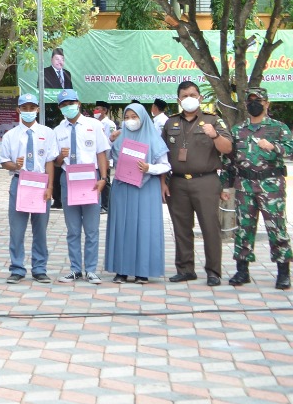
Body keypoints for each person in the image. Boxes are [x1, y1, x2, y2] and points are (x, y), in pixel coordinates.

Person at [162, 80, 233, 286]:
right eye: (184, 96)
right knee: (181, 228)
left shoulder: (213, 120)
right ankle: (185, 269)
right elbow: (161, 155)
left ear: (200, 97)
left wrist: (215, 135)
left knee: (210, 227)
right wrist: (163, 182)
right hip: (177, 182)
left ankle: (213, 272)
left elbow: (227, 148)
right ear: (178, 100)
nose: (189, 99)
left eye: (193, 95)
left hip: (206, 181)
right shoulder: (170, 123)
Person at [224, 88, 293, 289]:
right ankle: (242, 271)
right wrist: (225, 186)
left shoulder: (278, 128)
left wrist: (274, 147)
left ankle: (283, 273)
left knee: (276, 228)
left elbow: (290, 149)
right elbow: (229, 161)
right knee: (244, 228)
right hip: (244, 186)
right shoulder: (238, 130)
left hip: (271, 187)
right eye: (250, 101)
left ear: (267, 103)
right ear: (246, 104)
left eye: (258, 100)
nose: (254, 104)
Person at [106, 104, 170, 283]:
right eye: (127, 118)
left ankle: (143, 271)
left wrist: (149, 168)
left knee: (144, 228)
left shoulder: (154, 139)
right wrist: (110, 140)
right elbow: (107, 157)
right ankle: (121, 270)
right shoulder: (120, 139)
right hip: (122, 188)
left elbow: (165, 165)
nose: (130, 121)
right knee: (122, 227)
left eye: (134, 117)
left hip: (146, 189)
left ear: (143, 118)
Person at [0, 95, 58, 283]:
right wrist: (15, 165)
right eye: (24, 108)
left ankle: (39, 268)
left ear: (38, 110)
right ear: (18, 110)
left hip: (41, 183)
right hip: (20, 182)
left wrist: (50, 186)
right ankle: (17, 268)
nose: (28, 111)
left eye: (32, 108)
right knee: (17, 229)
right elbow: (4, 162)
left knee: (40, 229)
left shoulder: (47, 133)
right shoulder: (10, 135)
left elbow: (49, 161)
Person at [54, 89, 110, 284]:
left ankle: (91, 270)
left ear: (78, 103)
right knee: (73, 229)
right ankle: (75, 269)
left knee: (92, 229)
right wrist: (61, 156)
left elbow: (101, 153)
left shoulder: (93, 125)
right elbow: (55, 162)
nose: (68, 107)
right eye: (63, 105)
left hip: (90, 179)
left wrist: (103, 178)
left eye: (71, 103)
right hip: (68, 179)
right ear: (60, 108)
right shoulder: (58, 130)